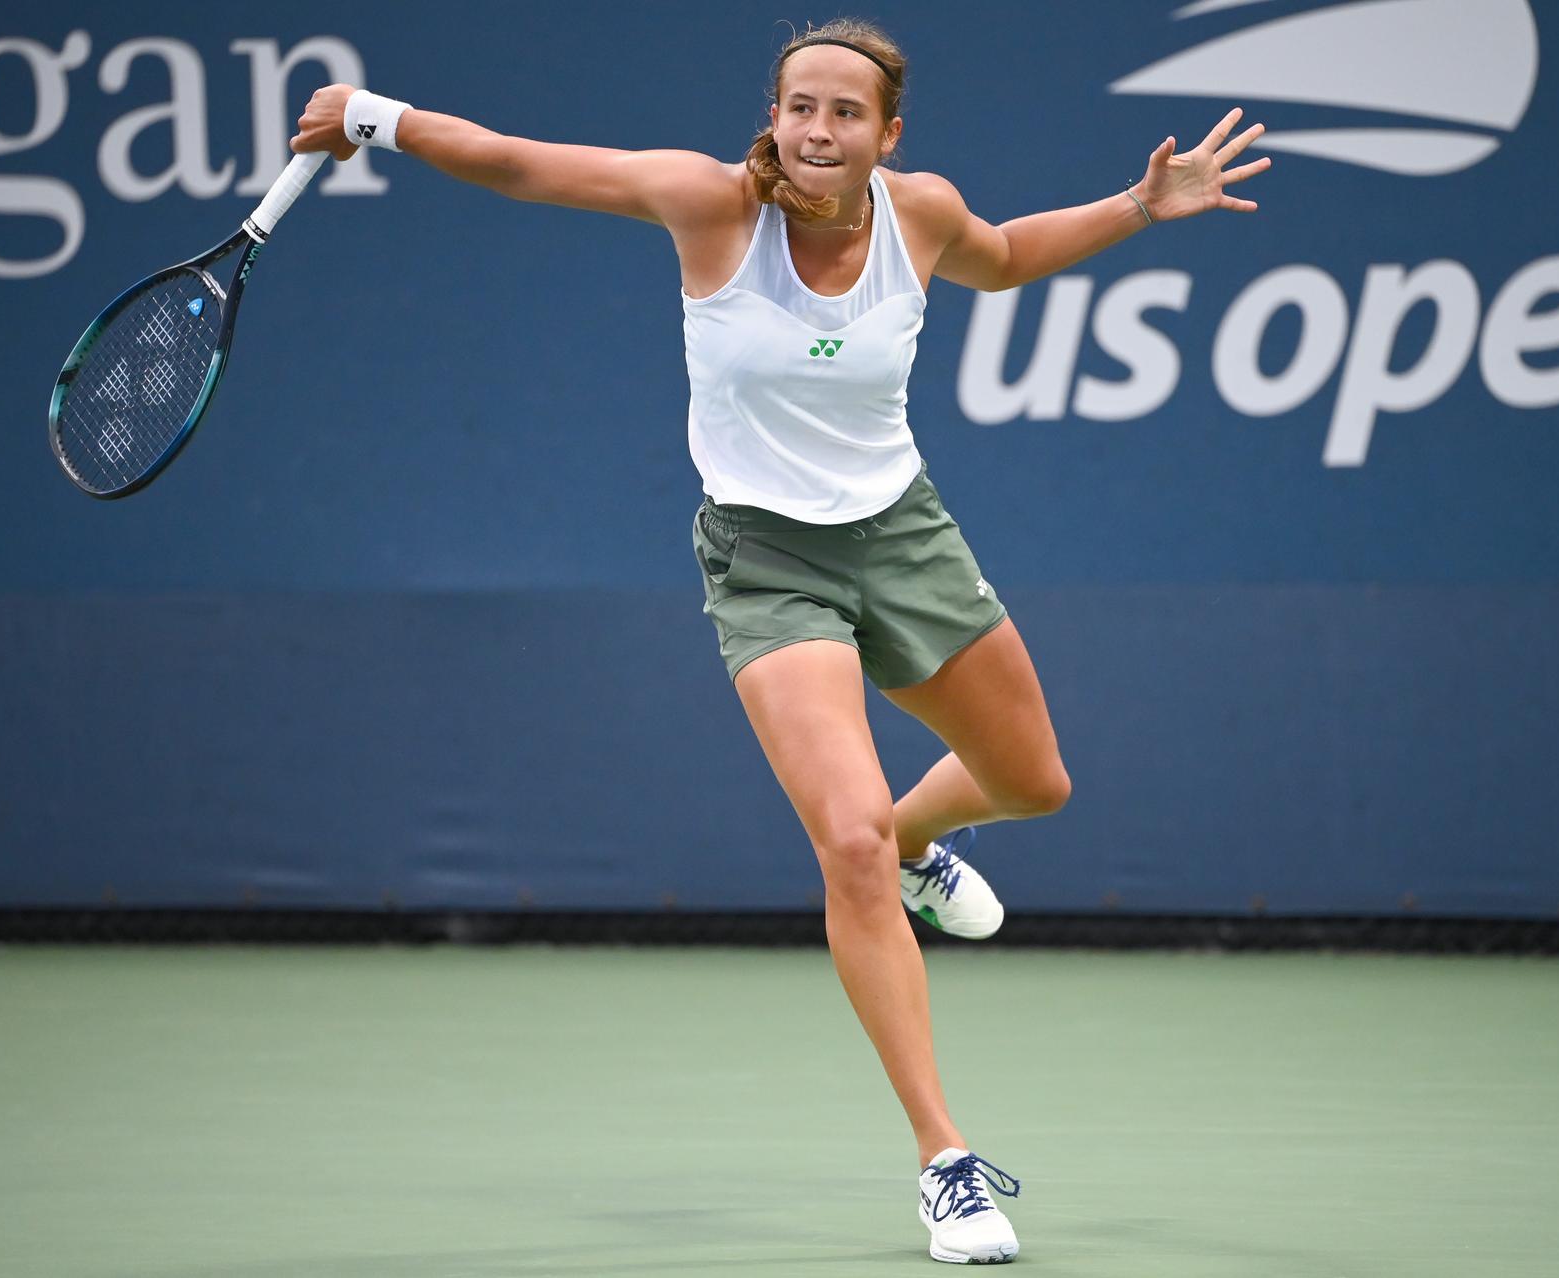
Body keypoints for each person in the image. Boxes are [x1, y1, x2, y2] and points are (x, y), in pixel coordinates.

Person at [290, 17, 1267, 1265]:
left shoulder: (920, 216)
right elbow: (523, 162)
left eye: (846, 113)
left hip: (902, 534)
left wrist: (1138, 205)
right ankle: (945, 1161)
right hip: (767, 562)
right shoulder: (707, 207)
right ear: (775, 111)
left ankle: (925, 841)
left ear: (886, 135)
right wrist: (380, 119)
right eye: (800, 105)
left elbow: (1010, 257)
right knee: (846, 836)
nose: (817, 129)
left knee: (1034, 783)